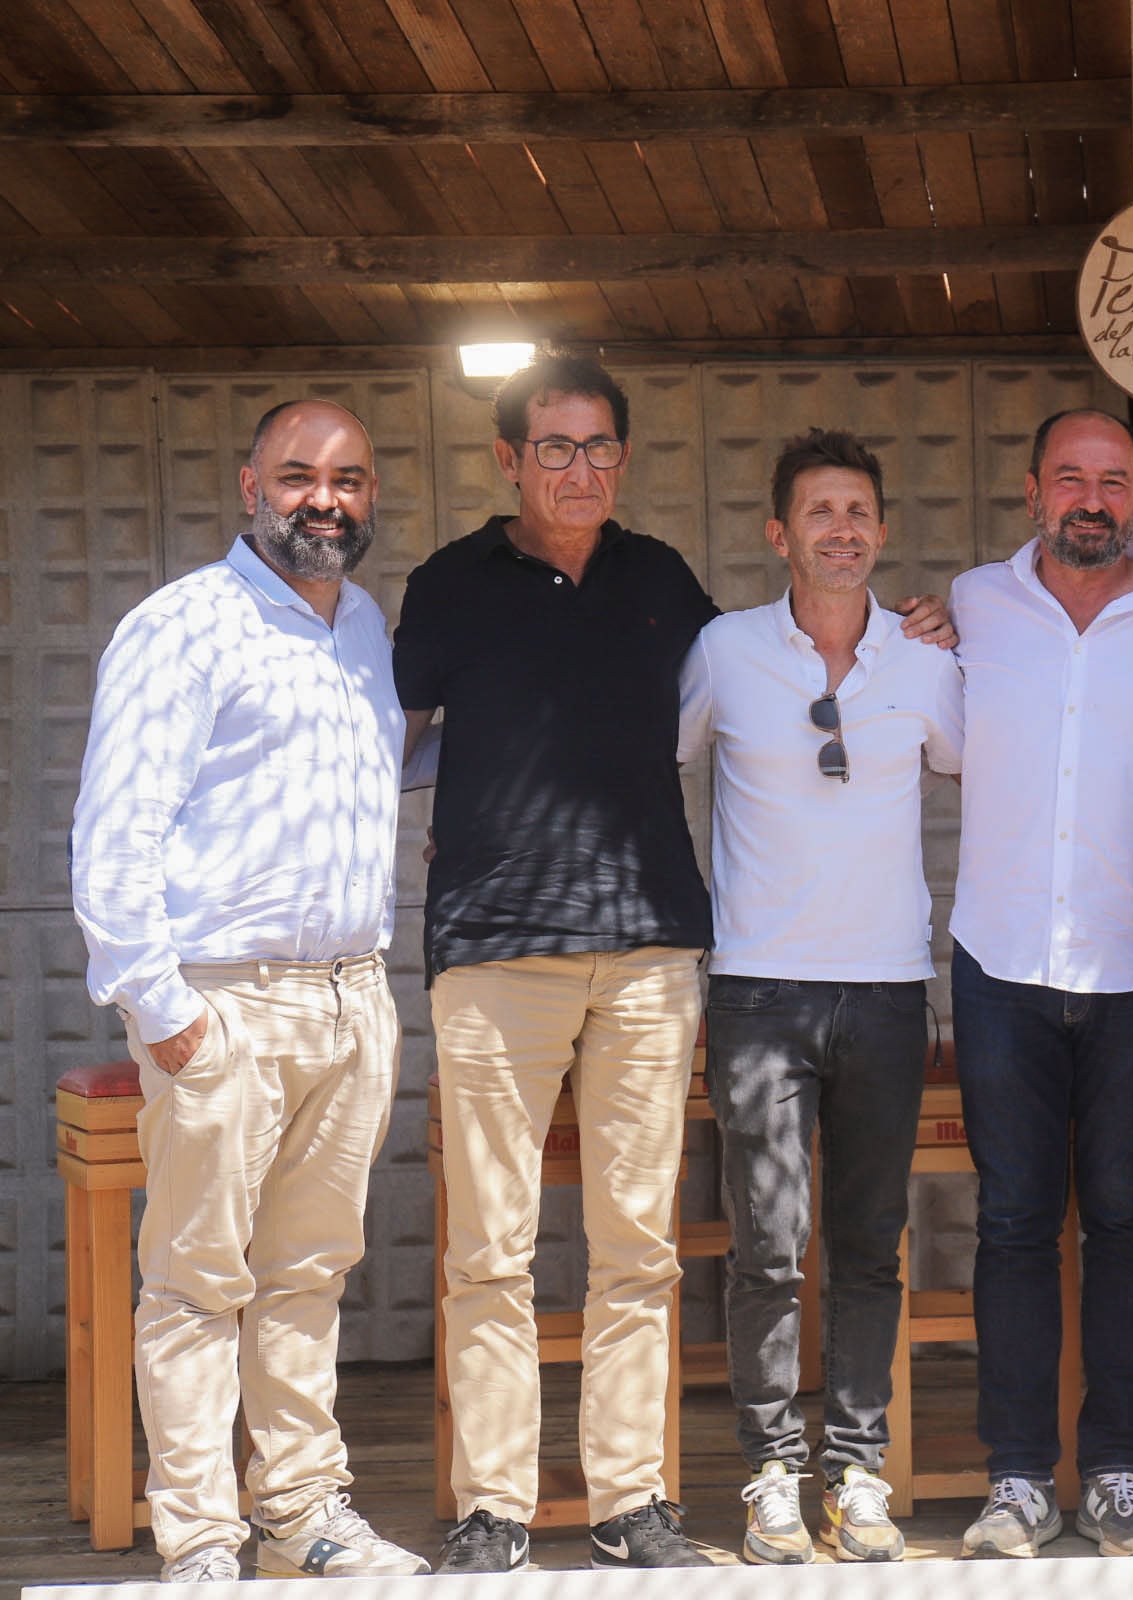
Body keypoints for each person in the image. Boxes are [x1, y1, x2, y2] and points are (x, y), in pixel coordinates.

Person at [396, 353, 949, 1573]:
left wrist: (925, 629)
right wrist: (463, 805)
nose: (579, 469)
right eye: (553, 447)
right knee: (490, 1246)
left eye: (599, 448)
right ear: (507, 459)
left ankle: (630, 1501)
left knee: (636, 1244)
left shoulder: (664, 585)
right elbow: (395, 735)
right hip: (494, 948)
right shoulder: (449, 585)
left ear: (625, 458)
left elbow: (748, 696)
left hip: (649, 947)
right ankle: (491, 1503)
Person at [71, 399, 426, 1583]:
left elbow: (381, 765)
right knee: (194, 1283)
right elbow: (116, 830)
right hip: (226, 1005)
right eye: (298, 475)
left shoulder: (364, 625)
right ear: (248, 486)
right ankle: (203, 1540)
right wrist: (163, 1010)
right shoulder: (185, 626)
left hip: (350, 998)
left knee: (308, 1275)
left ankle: (303, 1513)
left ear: (370, 495)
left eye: (349, 478)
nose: (324, 498)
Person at [944, 408, 1133, 1559]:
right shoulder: (969, 608)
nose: (1091, 497)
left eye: (1112, 480)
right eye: (1069, 477)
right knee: (1015, 1222)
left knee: (1128, 1218)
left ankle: (1117, 1465)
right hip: (1001, 961)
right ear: (1031, 490)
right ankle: (1019, 1476)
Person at [677, 429, 963, 1564]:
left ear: (881, 532)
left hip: (890, 987)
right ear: (778, 533)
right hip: (758, 987)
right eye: (819, 511)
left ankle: (855, 1469)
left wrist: (965, 628)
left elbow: (990, 761)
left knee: (867, 1242)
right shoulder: (725, 651)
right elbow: (657, 759)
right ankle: (767, 1475)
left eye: (858, 511)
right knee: (766, 1243)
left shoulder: (928, 661)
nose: (840, 529)